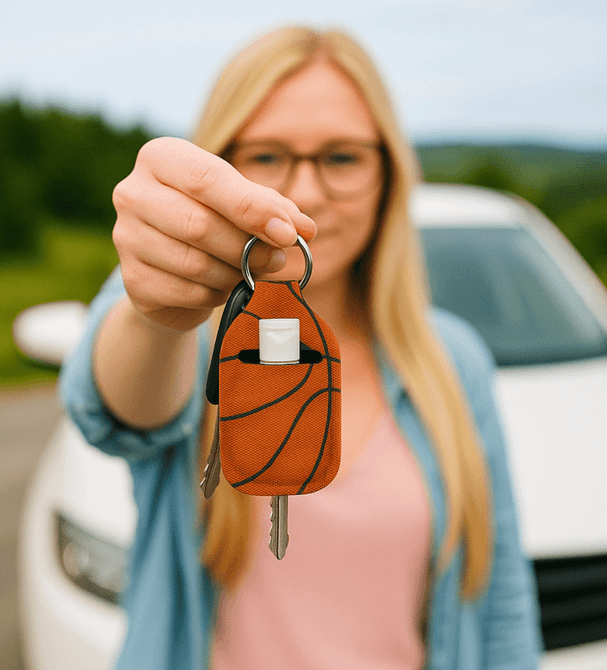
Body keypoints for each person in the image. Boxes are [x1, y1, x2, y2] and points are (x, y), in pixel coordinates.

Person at [59, 25, 542, 670]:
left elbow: (501, 601)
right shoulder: (186, 325)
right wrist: (156, 316)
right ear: (219, 166)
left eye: (342, 157)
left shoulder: (455, 361)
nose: (306, 193)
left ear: (389, 173)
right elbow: (115, 411)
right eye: (266, 155)